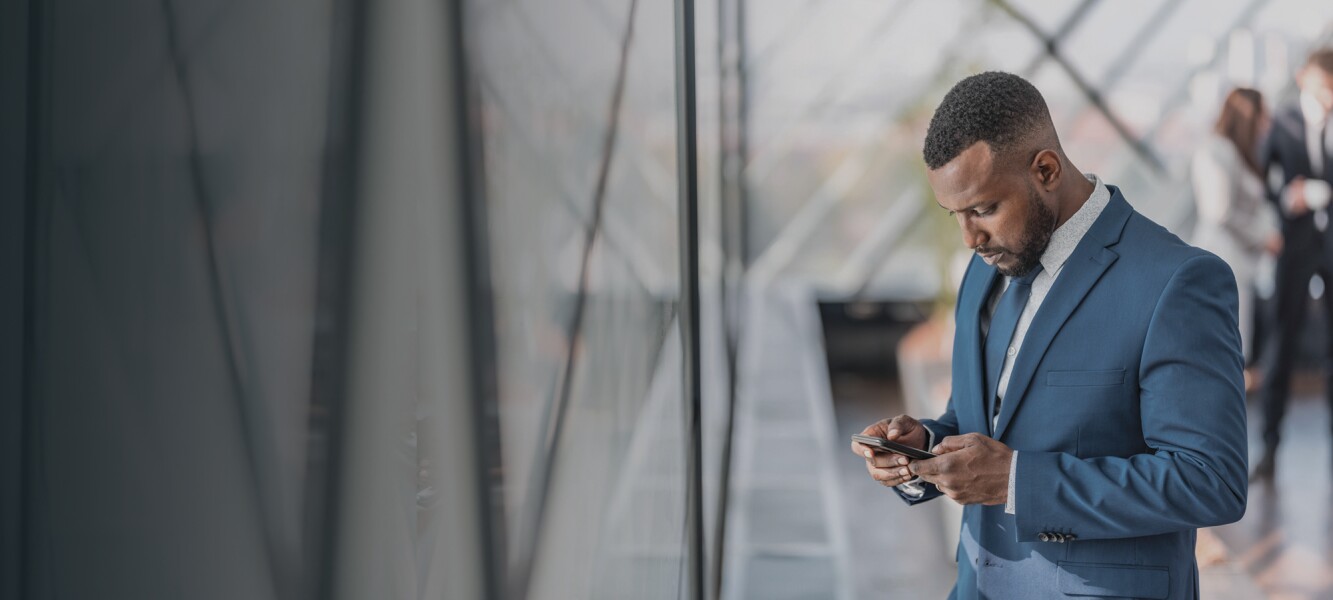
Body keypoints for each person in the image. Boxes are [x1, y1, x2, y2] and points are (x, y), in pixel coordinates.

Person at [851, 71, 1248, 599]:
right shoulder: (986, 268)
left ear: (1046, 169)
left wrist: (1017, 482)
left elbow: (1210, 480)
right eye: (956, 216)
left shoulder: (1177, 281)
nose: (969, 237)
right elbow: (976, 420)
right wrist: (921, 449)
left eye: (983, 209)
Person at [1252, 48, 1333, 482]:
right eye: (1324, 89)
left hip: (1330, 244)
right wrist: (1289, 200)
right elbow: (1263, 186)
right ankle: (1269, 447)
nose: (1328, 99)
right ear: (1305, 79)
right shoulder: (1282, 123)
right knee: (1282, 341)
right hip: (1296, 246)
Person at [1190, 88, 1281, 382]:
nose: (1267, 124)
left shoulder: (1238, 152)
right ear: (1247, 117)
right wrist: (1262, 237)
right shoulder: (1217, 151)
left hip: (1240, 262)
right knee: (1224, 347)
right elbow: (1220, 211)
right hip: (1222, 258)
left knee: (1233, 347)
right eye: (1262, 116)